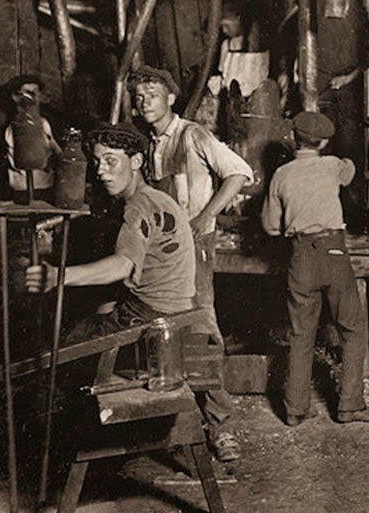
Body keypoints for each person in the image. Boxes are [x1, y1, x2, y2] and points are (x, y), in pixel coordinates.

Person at [24, 123, 243, 460]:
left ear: (138, 161)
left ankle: (54, 454)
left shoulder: (138, 206)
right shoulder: (159, 199)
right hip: (173, 315)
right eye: (98, 162)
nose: (102, 171)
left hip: (151, 323)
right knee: (86, 325)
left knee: (55, 356)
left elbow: (122, 265)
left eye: (112, 161)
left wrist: (58, 276)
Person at [129, 66, 253, 462]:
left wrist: (206, 217)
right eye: (138, 96)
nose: (143, 101)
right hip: (163, 250)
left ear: (171, 98)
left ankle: (222, 428)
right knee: (163, 329)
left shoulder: (192, 134)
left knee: (200, 327)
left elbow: (239, 173)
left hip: (195, 248)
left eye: (152, 94)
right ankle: (177, 427)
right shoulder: (149, 145)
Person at [262, 111, 369, 426]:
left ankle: (295, 410)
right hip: (332, 250)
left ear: (293, 138)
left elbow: (271, 228)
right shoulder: (332, 166)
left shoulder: (280, 174)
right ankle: (350, 405)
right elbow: (350, 170)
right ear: (325, 142)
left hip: (301, 254)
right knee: (353, 328)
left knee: (301, 334)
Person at [315, 0, 369, 227]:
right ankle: (321, 210)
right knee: (321, 146)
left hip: (350, 90)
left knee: (349, 148)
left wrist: (348, 78)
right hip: (322, 85)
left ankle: (351, 213)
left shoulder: (360, 13)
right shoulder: (318, 5)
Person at [4, 74, 61, 202]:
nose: (32, 97)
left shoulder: (45, 123)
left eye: (35, 92)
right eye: (27, 93)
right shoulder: (12, 128)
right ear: (16, 97)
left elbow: (57, 151)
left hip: (45, 186)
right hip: (21, 188)